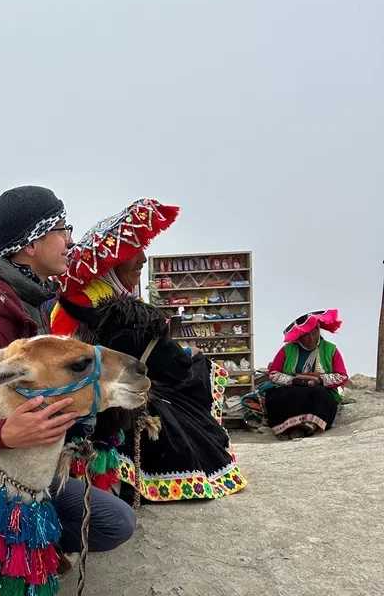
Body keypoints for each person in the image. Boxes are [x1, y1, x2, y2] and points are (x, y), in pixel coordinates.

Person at [0, 185, 136, 554]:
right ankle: (2, 550)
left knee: (114, 515)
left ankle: (30, 542)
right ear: (31, 244)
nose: (70, 242)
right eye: (62, 230)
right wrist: (6, 432)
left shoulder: (35, 298)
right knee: (112, 523)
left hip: (26, 460)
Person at [48, 199, 245, 502]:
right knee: (197, 374)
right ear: (112, 267)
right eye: (133, 260)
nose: (141, 260)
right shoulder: (122, 315)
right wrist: (186, 356)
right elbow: (172, 364)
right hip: (118, 404)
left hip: (98, 399)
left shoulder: (83, 303)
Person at [263, 309, 348, 438]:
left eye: (315, 333)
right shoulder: (287, 350)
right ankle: (290, 427)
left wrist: (320, 380)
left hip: (319, 388)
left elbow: (341, 376)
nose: (311, 338)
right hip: (292, 387)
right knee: (276, 396)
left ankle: (311, 425)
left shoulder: (330, 349)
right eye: (306, 335)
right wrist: (293, 380)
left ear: (319, 331)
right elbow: (274, 373)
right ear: (299, 336)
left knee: (322, 396)